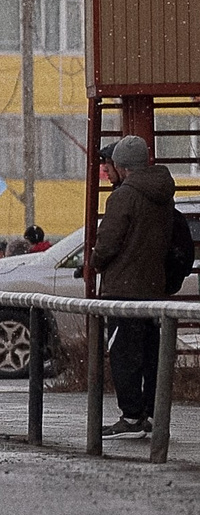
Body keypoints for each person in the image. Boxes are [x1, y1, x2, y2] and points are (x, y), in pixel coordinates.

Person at [91, 136, 190, 437]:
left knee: (123, 354)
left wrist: (96, 259)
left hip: (123, 290)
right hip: (152, 288)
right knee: (150, 355)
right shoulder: (163, 196)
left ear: (121, 166)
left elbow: (107, 244)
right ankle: (151, 413)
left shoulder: (123, 197)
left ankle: (132, 417)